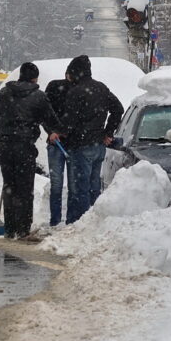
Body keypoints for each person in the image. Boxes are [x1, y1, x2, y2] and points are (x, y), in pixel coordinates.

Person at [0, 62, 62, 242]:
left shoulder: (4, 92)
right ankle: (23, 229)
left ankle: (9, 229)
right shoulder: (38, 96)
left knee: (9, 185)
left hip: (5, 145)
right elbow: (50, 120)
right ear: (34, 78)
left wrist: (5, 129)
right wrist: (50, 131)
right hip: (25, 146)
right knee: (25, 188)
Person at [53, 54, 123, 223]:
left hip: (80, 146)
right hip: (98, 145)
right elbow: (118, 109)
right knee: (94, 187)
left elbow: (69, 121)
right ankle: (94, 221)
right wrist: (107, 133)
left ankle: (79, 222)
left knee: (79, 188)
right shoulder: (101, 88)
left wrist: (59, 131)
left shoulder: (75, 92)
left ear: (75, 73)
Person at [44, 66, 75, 227]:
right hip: (57, 144)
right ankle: (56, 220)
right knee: (59, 184)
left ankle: (69, 221)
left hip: (71, 144)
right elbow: (44, 114)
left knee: (71, 185)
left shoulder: (79, 90)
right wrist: (51, 132)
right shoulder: (55, 88)